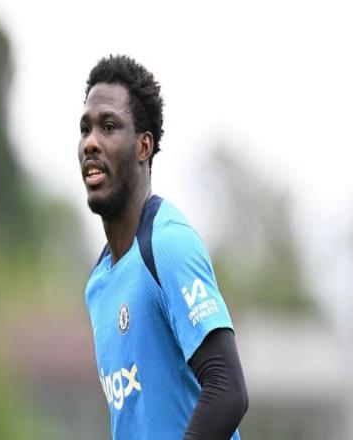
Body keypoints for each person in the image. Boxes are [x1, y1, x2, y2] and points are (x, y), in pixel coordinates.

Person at [78, 55, 248, 439]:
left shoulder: (168, 245)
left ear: (143, 146)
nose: (91, 142)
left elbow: (228, 390)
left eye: (108, 127)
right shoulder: (98, 284)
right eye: (85, 128)